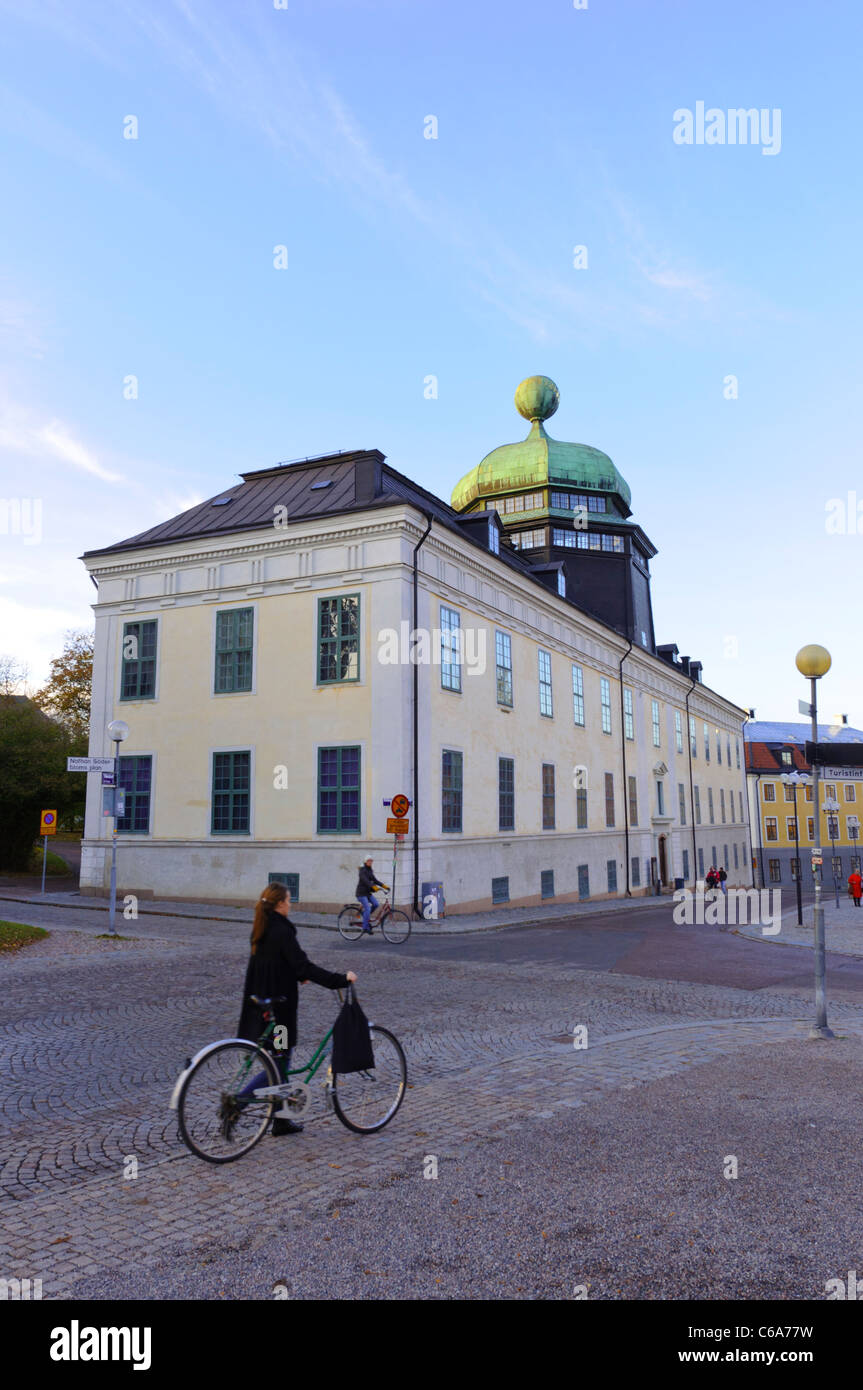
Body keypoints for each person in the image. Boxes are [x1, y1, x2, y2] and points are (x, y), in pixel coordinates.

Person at [237, 882, 357, 1136]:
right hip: (278, 1013)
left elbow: (275, 963)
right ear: (280, 904)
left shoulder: (263, 926)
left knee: (281, 1061)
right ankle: (238, 1102)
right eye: (289, 901)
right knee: (279, 1066)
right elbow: (305, 967)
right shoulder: (282, 931)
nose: (290, 905)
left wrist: (293, 974)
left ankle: (281, 1121)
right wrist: (340, 979)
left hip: (261, 1006)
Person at [356, 856, 389, 934]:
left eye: (371, 861)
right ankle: (365, 928)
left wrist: (384, 886)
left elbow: (375, 880)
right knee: (367, 908)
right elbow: (365, 881)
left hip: (367, 893)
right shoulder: (362, 871)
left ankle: (365, 916)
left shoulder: (370, 870)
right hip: (361, 894)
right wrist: (373, 886)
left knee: (376, 904)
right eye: (369, 861)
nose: (370, 862)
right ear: (365, 861)